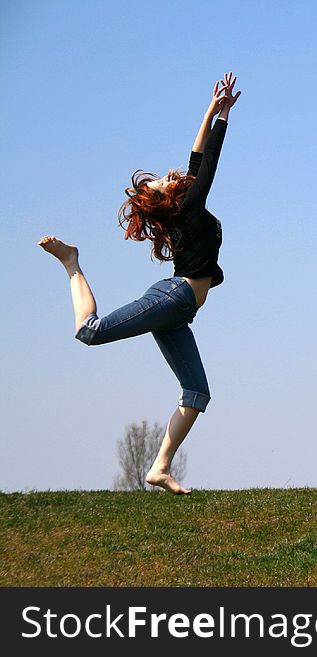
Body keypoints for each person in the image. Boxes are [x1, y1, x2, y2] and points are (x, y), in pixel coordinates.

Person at [38, 72, 242, 494]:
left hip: (179, 312)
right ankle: (72, 263)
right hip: (173, 298)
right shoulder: (187, 207)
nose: (168, 177)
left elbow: (195, 158)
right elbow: (210, 162)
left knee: (196, 393)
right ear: (168, 201)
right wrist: (223, 119)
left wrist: (211, 108)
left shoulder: (185, 205)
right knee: (89, 332)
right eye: (161, 184)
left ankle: (159, 468)